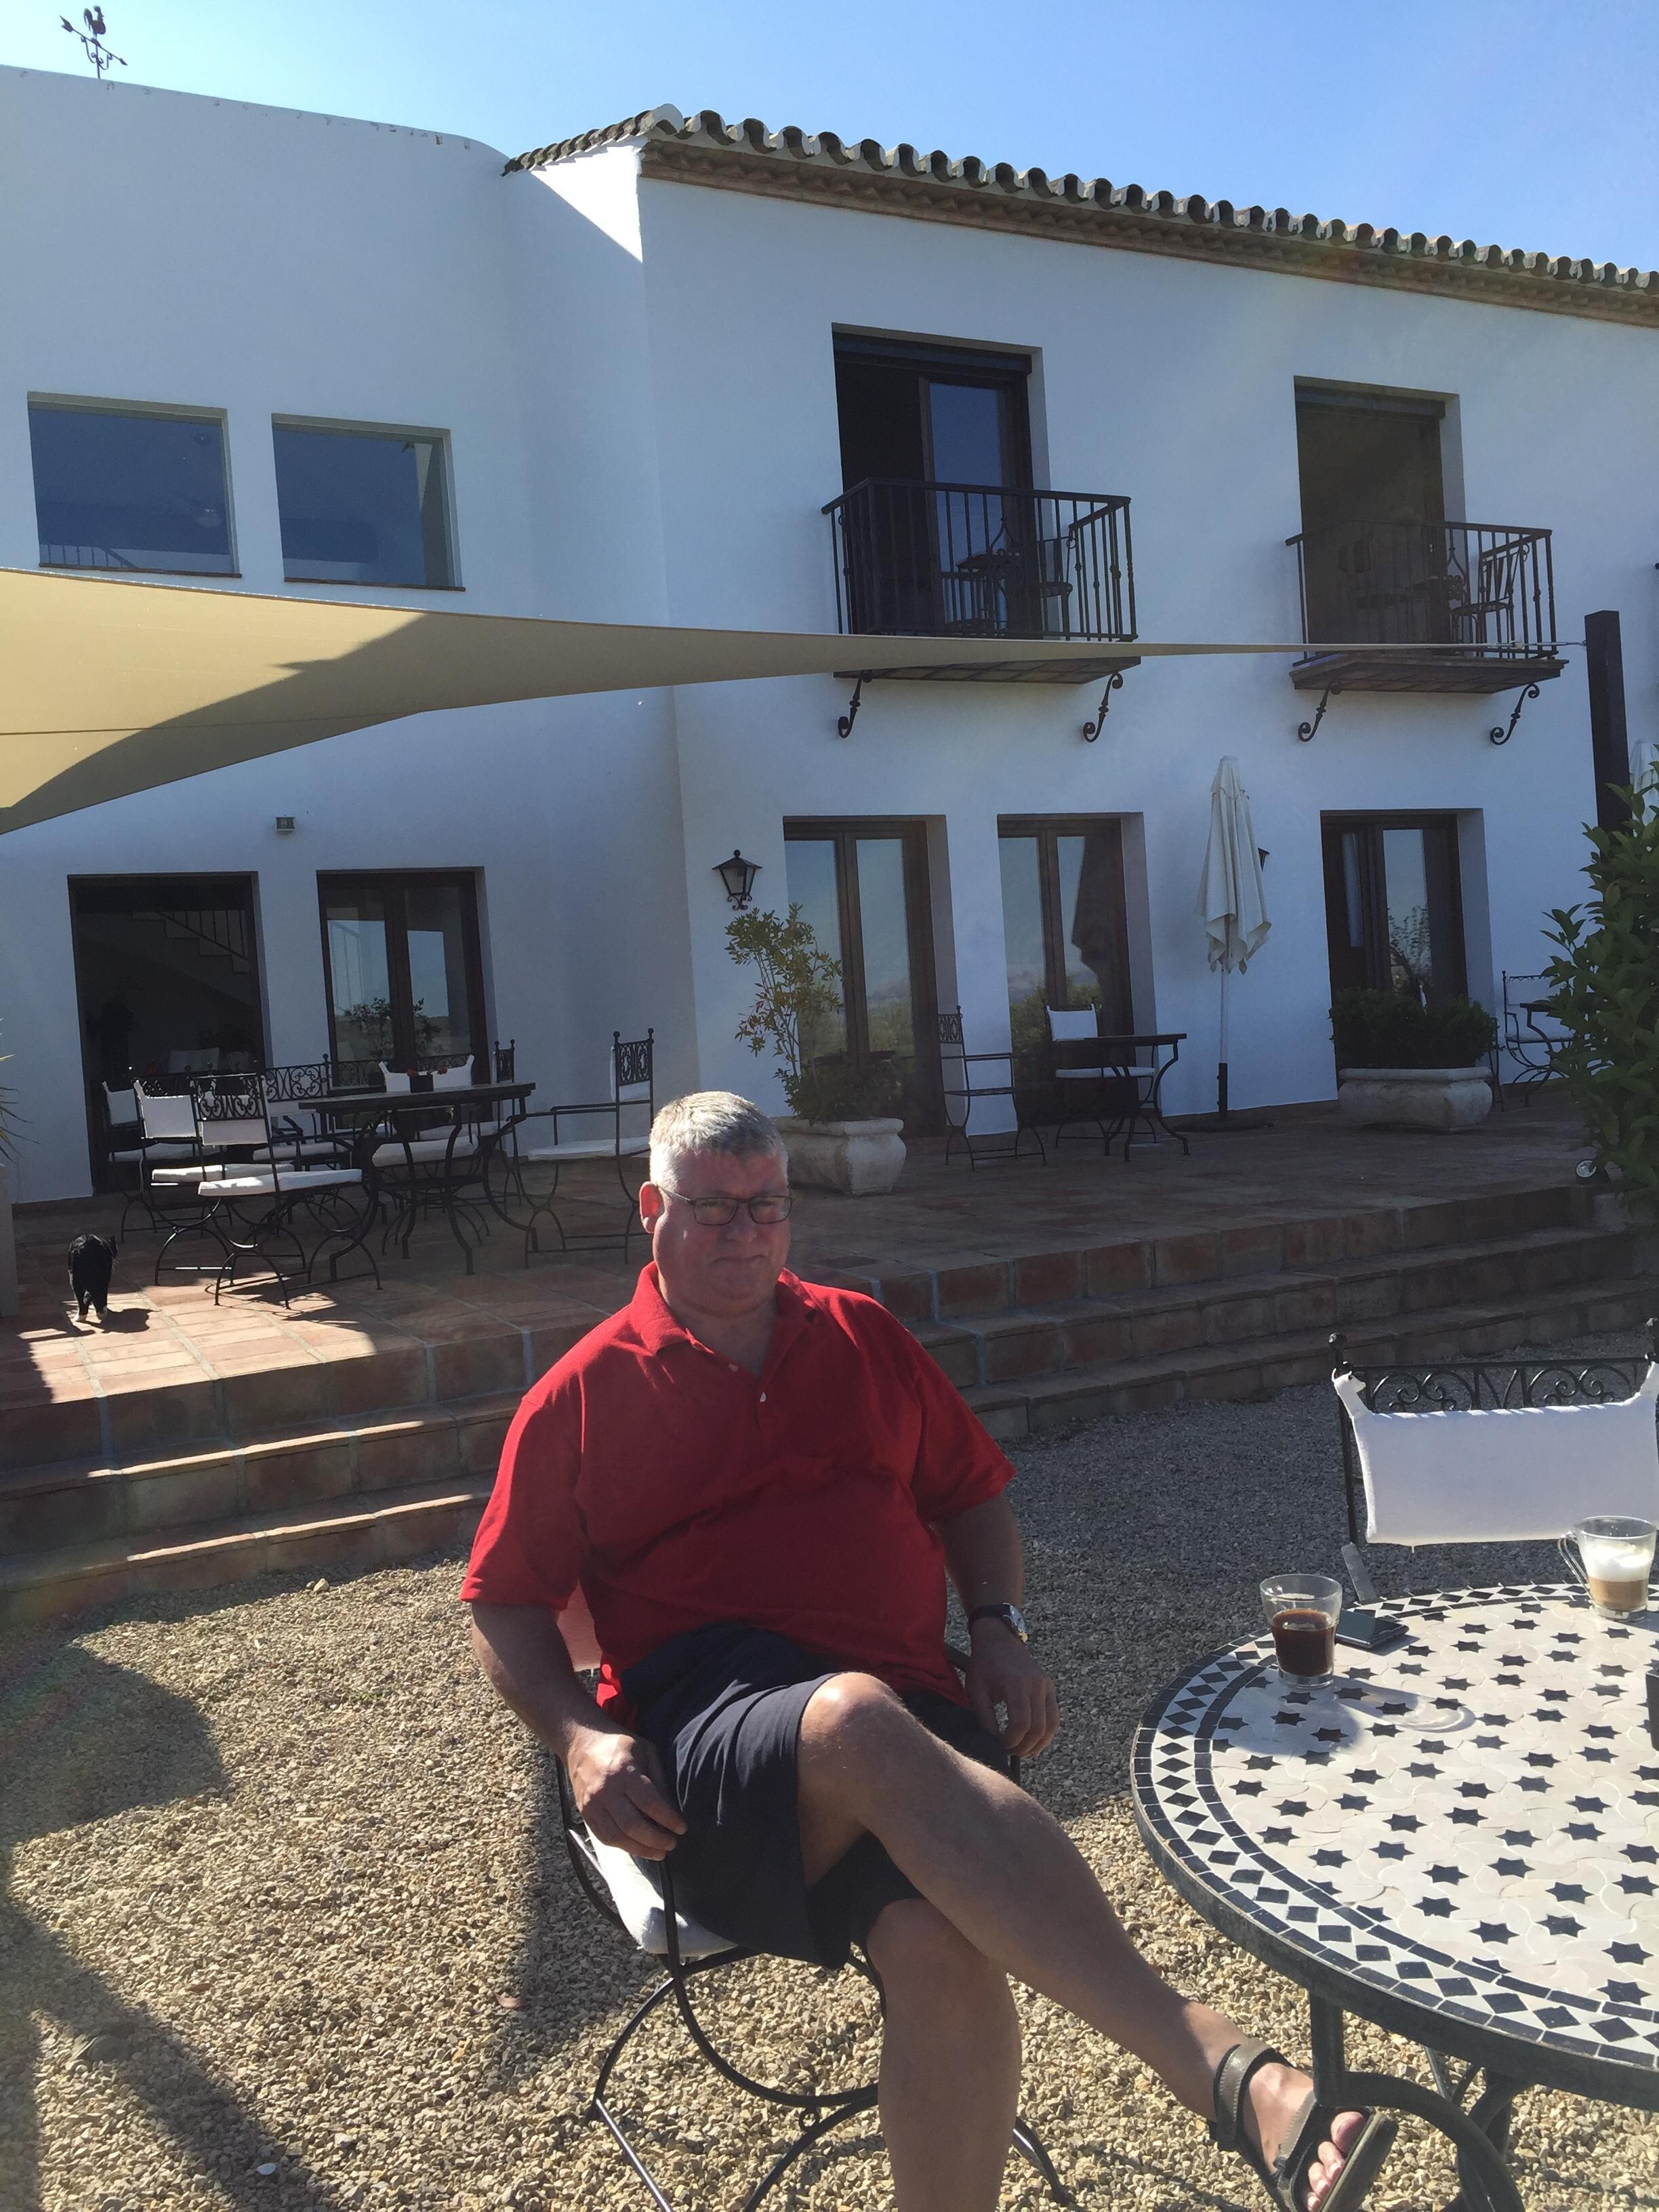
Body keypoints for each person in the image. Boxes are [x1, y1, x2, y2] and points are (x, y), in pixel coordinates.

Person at [464, 1092, 1395, 2212]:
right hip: (706, 1753)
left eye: (768, 1205)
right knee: (851, 1716)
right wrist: (578, 1739)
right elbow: (502, 1603)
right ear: (652, 1211)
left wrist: (998, 1625)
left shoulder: (860, 1336)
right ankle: (1232, 2076)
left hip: (910, 1719)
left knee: (940, 1950)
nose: (746, 1231)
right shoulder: (584, 1391)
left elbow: (970, 1494)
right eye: (713, 1209)